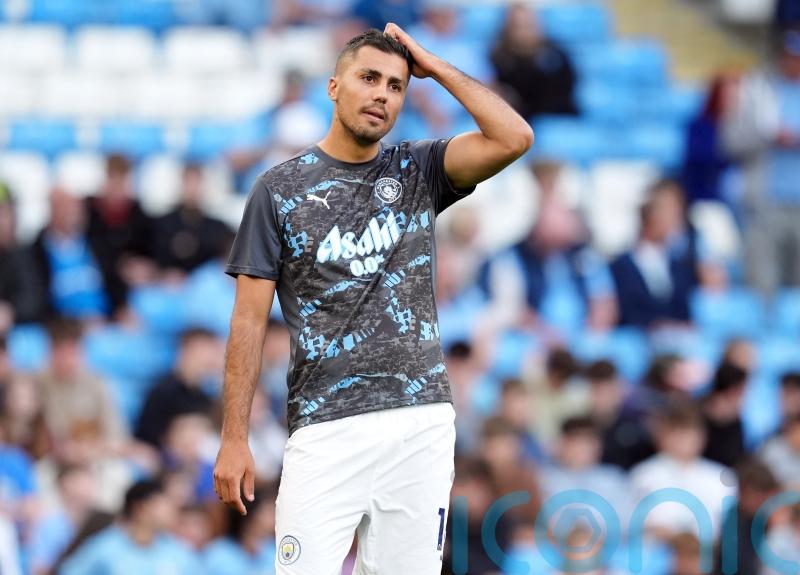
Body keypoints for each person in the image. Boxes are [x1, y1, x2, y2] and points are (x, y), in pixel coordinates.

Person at [213, 24, 533, 575]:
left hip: (421, 421)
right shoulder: (279, 190)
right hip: (326, 424)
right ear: (334, 86)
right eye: (368, 78)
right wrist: (234, 438)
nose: (382, 94)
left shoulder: (419, 169)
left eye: (396, 85)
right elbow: (247, 322)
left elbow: (514, 137)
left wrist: (436, 68)